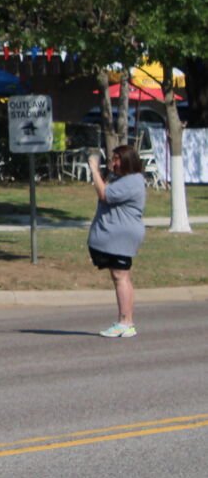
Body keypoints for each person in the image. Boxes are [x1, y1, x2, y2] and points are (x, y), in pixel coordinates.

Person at [88, 144, 146, 338]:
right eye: (112, 159)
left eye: (117, 159)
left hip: (122, 235)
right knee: (123, 277)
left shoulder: (132, 181)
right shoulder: (127, 180)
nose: (113, 162)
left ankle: (124, 321)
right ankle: (127, 321)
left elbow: (104, 194)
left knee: (120, 277)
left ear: (128, 161)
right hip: (122, 234)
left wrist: (94, 169)